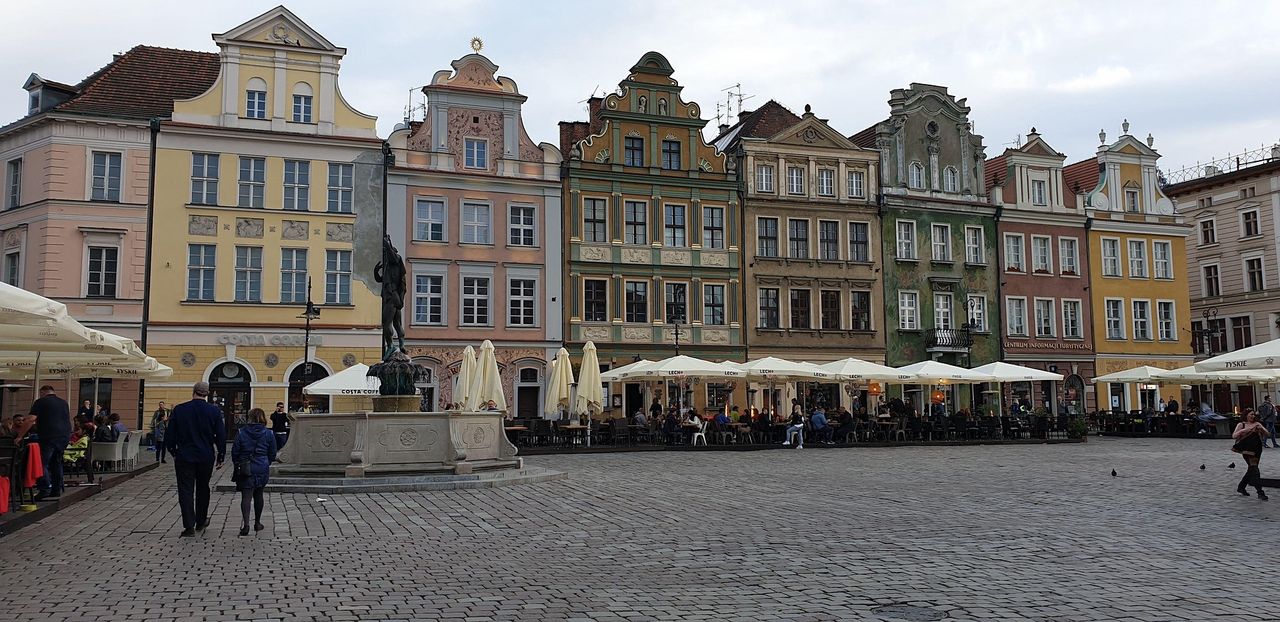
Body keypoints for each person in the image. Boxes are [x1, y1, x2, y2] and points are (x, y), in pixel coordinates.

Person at [167, 382, 226, 537]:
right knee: (203, 488)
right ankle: (201, 520)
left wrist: (173, 451)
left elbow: (170, 434)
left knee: (185, 490)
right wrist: (221, 455)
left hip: (184, 456)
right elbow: (220, 434)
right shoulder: (214, 411)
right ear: (207, 394)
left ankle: (188, 525)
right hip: (205, 455)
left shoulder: (180, 409)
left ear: (193, 392)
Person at [231, 407, 277, 536]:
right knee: (259, 494)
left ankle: (246, 524)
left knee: (246, 497)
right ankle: (257, 522)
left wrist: (238, 463)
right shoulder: (268, 433)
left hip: (246, 466)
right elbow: (273, 452)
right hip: (262, 465)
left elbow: (235, 451)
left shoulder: (241, 432)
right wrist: (266, 461)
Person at [29, 385, 71, 501]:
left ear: (42, 392)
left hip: (48, 436)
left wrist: (19, 436)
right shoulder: (63, 403)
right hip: (64, 436)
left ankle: (45, 488)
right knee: (56, 462)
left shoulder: (41, 402)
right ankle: (56, 489)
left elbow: (31, 419)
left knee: (42, 462)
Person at [1232, 410, 1270, 499]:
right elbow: (1234, 436)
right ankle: (1260, 492)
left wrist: (1262, 429)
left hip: (1257, 450)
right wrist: (1244, 430)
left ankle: (1241, 487)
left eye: (1254, 414)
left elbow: (1267, 434)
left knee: (1251, 469)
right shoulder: (1241, 424)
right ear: (1246, 415)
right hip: (1247, 450)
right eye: (1251, 414)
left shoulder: (1257, 423)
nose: (1253, 416)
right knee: (1255, 470)